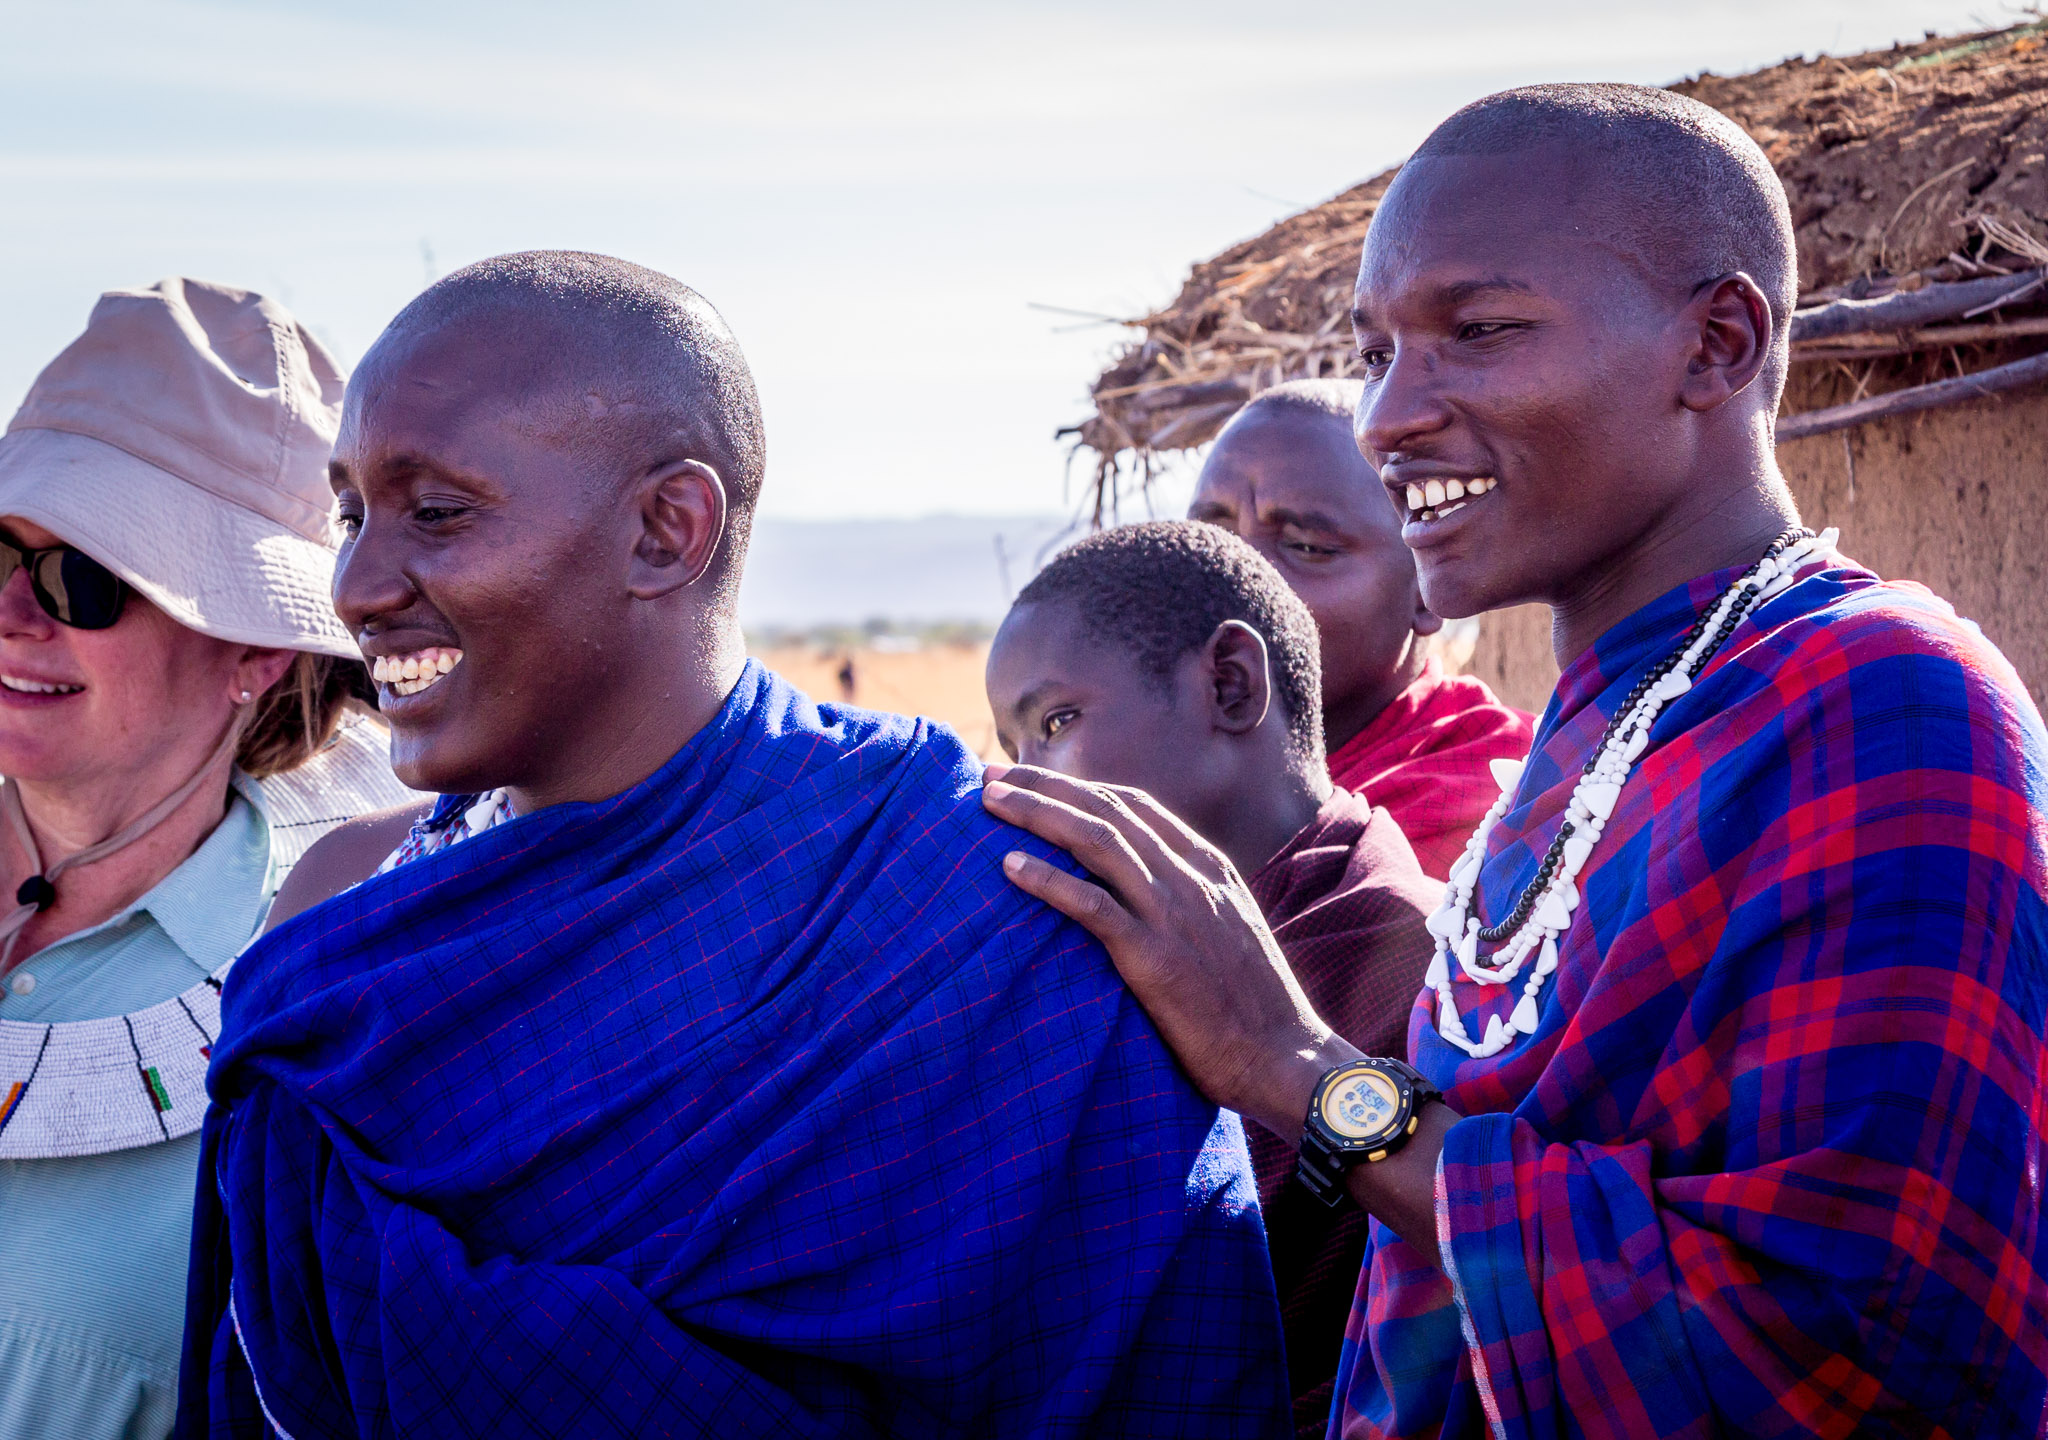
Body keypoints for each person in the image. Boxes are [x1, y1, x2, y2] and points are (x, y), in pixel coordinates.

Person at [984, 83, 2048, 1439]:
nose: (1387, 416)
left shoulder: (1879, 705)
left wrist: (1292, 1068)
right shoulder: (1600, 737)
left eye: (1476, 333)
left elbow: (1860, 1343)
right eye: (1376, 350)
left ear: (1716, 344)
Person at [176, 251, 1289, 1440]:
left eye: (436, 512)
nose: (354, 584)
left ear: (668, 528)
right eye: (350, 513)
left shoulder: (992, 915)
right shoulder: (345, 925)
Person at [0, 280, 418, 1440]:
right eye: (0, 549)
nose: (11, 612)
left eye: (84, 578)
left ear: (254, 651)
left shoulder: (331, 988)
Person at [984, 519, 1438, 1436]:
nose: (1029, 784)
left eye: (1057, 723)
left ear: (1230, 684)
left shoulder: (1411, 953)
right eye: (1012, 743)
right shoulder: (1123, 954)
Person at [1189, 380, 1532, 878]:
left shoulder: (1504, 807)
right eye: (1209, 543)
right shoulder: (1155, 775)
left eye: (1307, 547)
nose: (1235, 580)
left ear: (1427, 586)